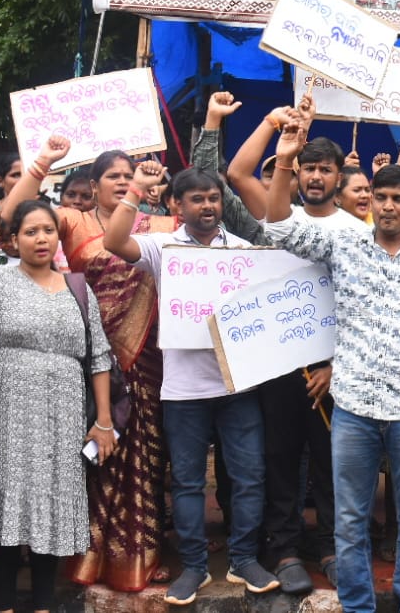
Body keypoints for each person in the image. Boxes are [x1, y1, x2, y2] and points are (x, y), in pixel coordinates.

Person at [263, 120, 400, 613]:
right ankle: (357, 606)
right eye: (381, 197)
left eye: (399, 199)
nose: (389, 206)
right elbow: (278, 225)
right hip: (353, 408)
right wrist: (286, 159)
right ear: (370, 201)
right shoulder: (342, 243)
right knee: (350, 520)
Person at [0, 172, 117, 613]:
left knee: (52, 500)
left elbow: (100, 358)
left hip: (62, 408)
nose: (41, 238)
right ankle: (6, 604)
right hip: (5, 406)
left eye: (48, 230)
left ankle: (46, 603)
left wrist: (104, 421)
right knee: (6, 500)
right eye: (30, 232)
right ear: (13, 240)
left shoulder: (78, 288)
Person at [0, 142, 169, 592]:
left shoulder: (158, 225)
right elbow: (10, 218)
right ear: (93, 185)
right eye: (113, 176)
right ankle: (81, 554)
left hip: (146, 357)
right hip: (88, 358)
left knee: (144, 457)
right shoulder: (73, 221)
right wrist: (41, 165)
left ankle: (141, 557)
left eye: (129, 175)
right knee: (88, 456)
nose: (123, 182)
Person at [101, 159, 279, 603]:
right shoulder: (163, 248)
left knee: (249, 476)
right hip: (183, 390)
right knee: (186, 482)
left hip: (238, 386)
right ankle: (194, 567)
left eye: (213, 198)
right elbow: (113, 241)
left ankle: (244, 561)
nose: (208, 206)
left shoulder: (243, 250)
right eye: (197, 199)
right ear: (177, 205)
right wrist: (135, 190)